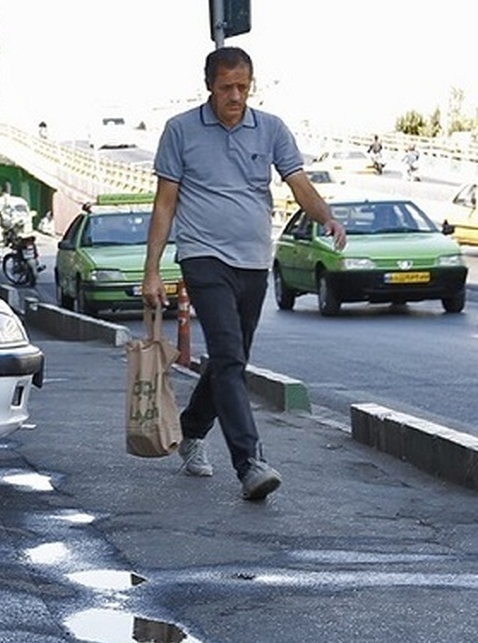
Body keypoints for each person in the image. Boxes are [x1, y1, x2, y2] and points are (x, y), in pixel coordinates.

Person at [141, 46, 346, 501]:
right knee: (229, 355)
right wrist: (151, 270)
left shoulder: (271, 128)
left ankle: (192, 430)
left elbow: (298, 183)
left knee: (229, 360)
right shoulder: (180, 130)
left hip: (253, 261)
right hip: (203, 257)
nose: (235, 96)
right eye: (226, 87)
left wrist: (327, 217)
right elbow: (165, 203)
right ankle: (250, 463)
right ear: (209, 86)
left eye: (243, 87)